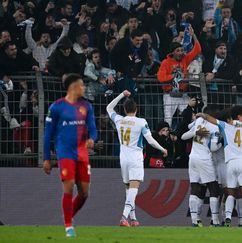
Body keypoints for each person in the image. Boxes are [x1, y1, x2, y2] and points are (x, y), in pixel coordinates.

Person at [42, 74, 97, 237]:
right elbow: (47, 134)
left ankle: (67, 216)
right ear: (73, 87)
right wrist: (46, 158)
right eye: (81, 85)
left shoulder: (86, 106)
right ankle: (68, 226)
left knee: (84, 193)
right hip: (65, 152)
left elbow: (93, 128)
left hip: (82, 153)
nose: (84, 88)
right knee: (69, 186)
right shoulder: (57, 107)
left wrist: (92, 139)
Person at [197, 106, 242, 227]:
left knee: (231, 194)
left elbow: (211, 119)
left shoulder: (225, 125)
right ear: (240, 115)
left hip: (230, 163)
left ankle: (228, 217)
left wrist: (202, 115)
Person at [106, 90, 167, 227]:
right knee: (134, 188)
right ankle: (124, 217)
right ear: (136, 109)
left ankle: (133, 219)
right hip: (135, 158)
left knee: (128, 188)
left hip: (123, 158)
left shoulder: (119, 120)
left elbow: (109, 108)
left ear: (124, 109)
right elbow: (150, 140)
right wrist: (162, 149)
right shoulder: (141, 122)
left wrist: (121, 94)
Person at [181, 107, 221, 226]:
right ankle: (215, 220)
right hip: (204, 159)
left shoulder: (198, 122)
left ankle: (195, 220)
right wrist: (221, 143)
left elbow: (183, 136)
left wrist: (196, 129)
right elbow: (213, 148)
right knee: (213, 188)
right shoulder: (215, 127)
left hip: (192, 158)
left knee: (195, 187)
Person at [157, 25, 201, 127]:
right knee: (167, 121)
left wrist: (193, 35)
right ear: (172, 52)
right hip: (169, 95)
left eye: (182, 50)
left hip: (182, 95)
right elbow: (160, 78)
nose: (181, 53)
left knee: (191, 117)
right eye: (178, 51)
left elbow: (197, 50)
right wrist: (174, 76)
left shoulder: (185, 58)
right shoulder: (166, 62)